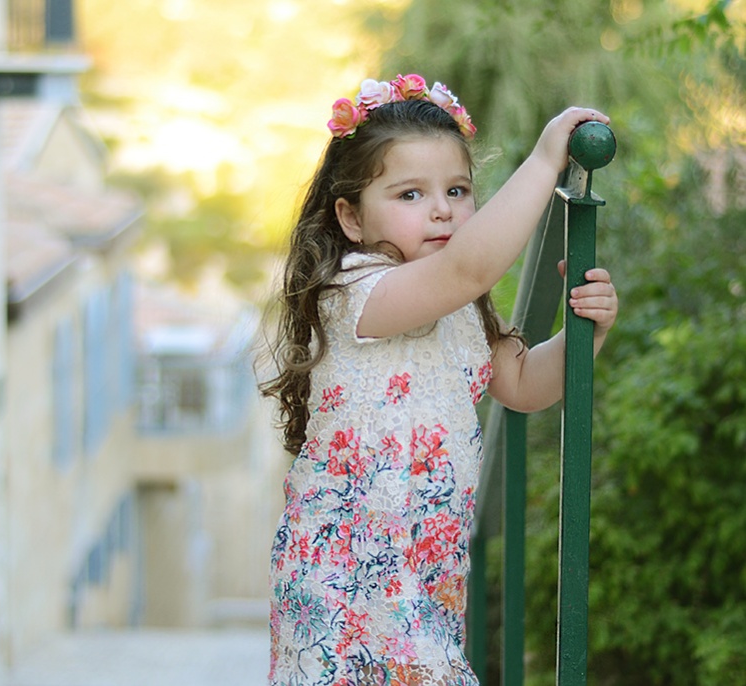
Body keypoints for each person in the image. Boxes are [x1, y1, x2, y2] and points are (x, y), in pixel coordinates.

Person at [261, 73, 618, 686]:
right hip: (343, 577)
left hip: (425, 578)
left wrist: (587, 332)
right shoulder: (353, 292)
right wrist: (544, 161)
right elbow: (468, 267)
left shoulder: (461, 311)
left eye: (458, 190)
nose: (442, 210)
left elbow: (525, 385)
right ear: (350, 217)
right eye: (410, 194)